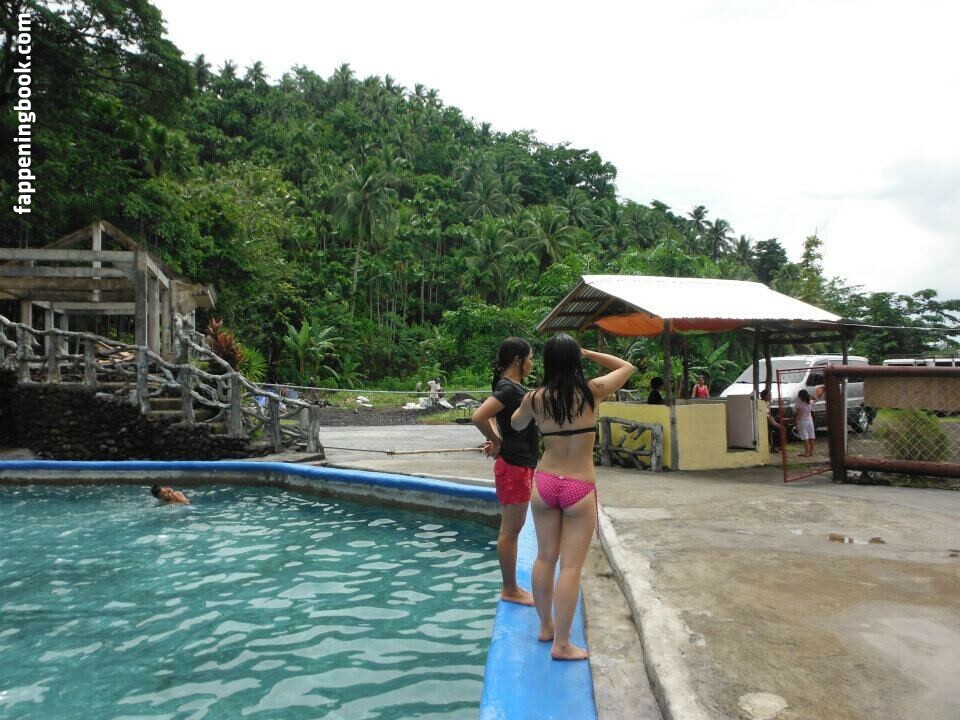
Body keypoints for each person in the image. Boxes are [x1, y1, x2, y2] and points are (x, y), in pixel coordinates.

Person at [511, 334, 635, 660]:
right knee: (570, 567)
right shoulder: (593, 391)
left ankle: (545, 627)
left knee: (544, 558)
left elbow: (516, 424)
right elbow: (626, 367)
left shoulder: (535, 398)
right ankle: (562, 645)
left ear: (549, 362)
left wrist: (529, 407)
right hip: (579, 486)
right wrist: (589, 352)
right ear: (576, 360)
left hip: (545, 482)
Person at [471, 338, 538, 606]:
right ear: (517, 360)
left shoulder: (511, 387)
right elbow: (479, 416)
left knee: (513, 530)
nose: (532, 363)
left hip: (518, 463)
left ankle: (511, 586)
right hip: (513, 465)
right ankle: (510, 589)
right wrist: (496, 441)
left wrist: (498, 438)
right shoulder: (508, 388)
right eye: (530, 358)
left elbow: (499, 420)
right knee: (510, 532)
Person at [795, 388, 815, 457]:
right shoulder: (810, 402)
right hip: (810, 420)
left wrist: (796, 421)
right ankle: (811, 451)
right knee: (811, 435)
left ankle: (807, 452)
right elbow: (816, 399)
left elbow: (797, 414)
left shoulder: (799, 404)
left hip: (803, 420)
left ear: (800, 396)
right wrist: (809, 395)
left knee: (805, 436)